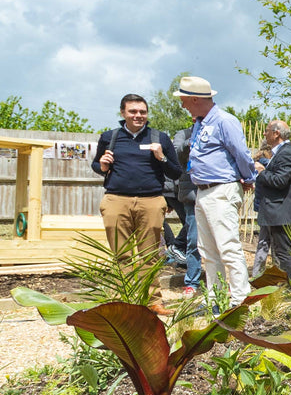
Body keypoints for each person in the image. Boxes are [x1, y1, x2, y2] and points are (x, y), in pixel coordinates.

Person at [91, 94, 182, 316]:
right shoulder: (110, 137)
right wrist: (101, 165)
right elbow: (96, 164)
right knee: (121, 255)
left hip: (151, 202)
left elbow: (176, 172)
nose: (138, 115)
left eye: (142, 111)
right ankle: (125, 301)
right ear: (123, 113)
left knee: (150, 255)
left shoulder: (159, 137)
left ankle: (153, 301)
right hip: (116, 201)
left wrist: (161, 157)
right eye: (133, 111)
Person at [176, 75, 257, 307]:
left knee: (228, 246)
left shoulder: (224, 121)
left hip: (221, 189)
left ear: (193, 99)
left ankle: (241, 300)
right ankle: (217, 299)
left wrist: (248, 177)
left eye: (183, 98)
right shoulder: (200, 122)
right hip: (202, 191)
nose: (181, 103)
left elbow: (241, 153)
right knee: (208, 250)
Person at [253, 120, 291, 281]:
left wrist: (261, 172)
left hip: (281, 212)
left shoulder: (287, 152)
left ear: (276, 133)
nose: (264, 134)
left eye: (267, 130)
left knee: (283, 252)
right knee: (281, 251)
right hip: (277, 212)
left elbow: (280, 181)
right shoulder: (282, 152)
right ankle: (288, 285)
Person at [173, 116, 203, 297]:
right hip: (192, 195)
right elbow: (177, 154)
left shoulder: (218, 132)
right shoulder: (183, 134)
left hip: (216, 194)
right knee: (193, 240)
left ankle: (221, 282)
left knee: (218, 241)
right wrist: (189, 144)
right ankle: (192, 282)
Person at [250, 146, 274, 278]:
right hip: (271, 207)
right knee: (274, 242)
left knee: (263, 241)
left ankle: (257, 273)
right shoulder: (268, 165)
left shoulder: (256, 166)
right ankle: (278, 274)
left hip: (261, 207)